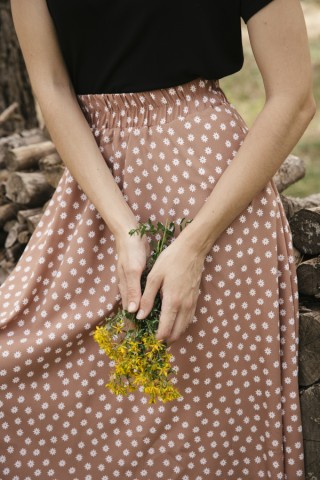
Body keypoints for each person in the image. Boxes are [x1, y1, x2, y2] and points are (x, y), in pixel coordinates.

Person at [0, 0, 316, 478]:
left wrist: (194, 243)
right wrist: (124, 227)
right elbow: (52, 89)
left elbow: (294, 98)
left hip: (217, 200)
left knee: (205, 430)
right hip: (98, 191)